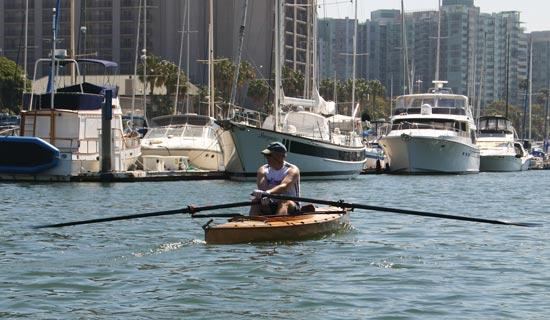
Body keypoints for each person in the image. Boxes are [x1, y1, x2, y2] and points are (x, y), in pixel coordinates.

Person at [250, 141, 300, 216]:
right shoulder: (263, 169)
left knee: (284, 200)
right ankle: (251, 225)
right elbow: (263, 188)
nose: (266, 157)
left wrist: (268, 193)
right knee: (255, 201)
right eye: (265, 155)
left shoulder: (292, 169)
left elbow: (284, 186)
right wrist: (263, 194)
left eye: (269, 155)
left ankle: (277, 225)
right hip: (269, 202)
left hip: (291, 206)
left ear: (280, 156)